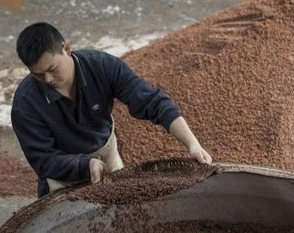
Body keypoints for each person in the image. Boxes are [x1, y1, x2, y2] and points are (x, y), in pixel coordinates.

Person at [11, 22, 212, 197]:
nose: (48, 80)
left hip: (107, 157)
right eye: (38, 75)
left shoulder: (102, 67)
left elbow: (152, 102)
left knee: (123, 218)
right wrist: (84, 166)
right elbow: (44, 160)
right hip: (61, 177)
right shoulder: (26, 103)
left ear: (67, 49)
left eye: (52, 69)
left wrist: (192, 143)